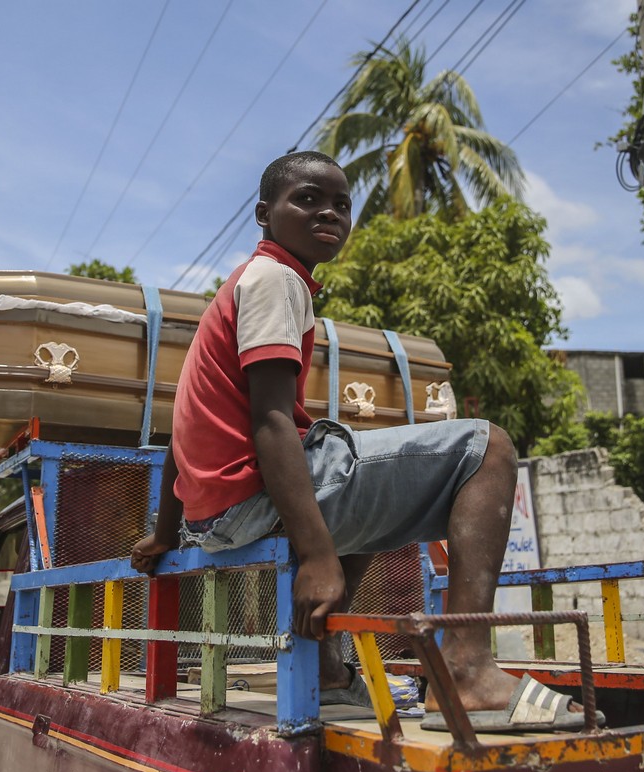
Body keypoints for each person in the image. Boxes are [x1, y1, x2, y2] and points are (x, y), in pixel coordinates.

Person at [131, 151, 593, 732]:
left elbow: (183, 427)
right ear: (263, 214)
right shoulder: (274, 279)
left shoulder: (249, 286)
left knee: (371, 479)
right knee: (490, 448)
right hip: (251, 500)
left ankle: (325, 670)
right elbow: (271, 423)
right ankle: (468, 670)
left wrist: (166, 533)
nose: (328, 212)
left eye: (341, 204)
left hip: (215, 514)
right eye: (306, 199)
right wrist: (320, 558)